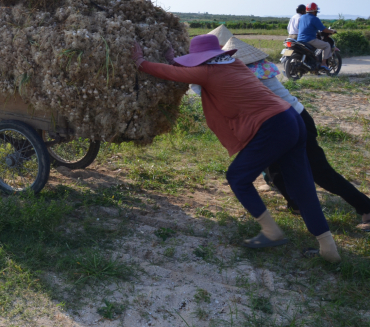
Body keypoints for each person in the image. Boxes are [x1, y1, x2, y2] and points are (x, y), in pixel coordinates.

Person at [132, 35, 340, 262]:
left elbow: (173, 74)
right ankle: (329, 250)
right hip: (291, 118)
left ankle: (271, 232)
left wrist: (141, 62)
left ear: (201, 59)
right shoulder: (234, 63)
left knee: (237, 177)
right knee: (302, 187)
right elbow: (186, 70)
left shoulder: (206, 72)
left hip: (273, 127)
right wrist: (174, 59)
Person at [220, 37, 370, 232]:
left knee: (320, 172)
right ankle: (297, 205)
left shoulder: (248, 74)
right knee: (273, 168)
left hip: (293, 120)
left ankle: (368, 208)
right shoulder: (261, 67)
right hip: (285, 120)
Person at [297, 3, 335, 71]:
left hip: (299, 39)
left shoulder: (302, 17)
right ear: (314, 11)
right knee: (327, 45)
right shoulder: (315, 19)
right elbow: (324, 29)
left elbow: (299, 27)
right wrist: (332, 31)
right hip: (310, 39)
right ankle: (323, 63)